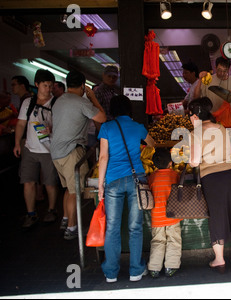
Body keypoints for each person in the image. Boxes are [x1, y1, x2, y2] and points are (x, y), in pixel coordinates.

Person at [97, 94, 156, 283]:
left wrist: (100, 185)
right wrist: (138, 151)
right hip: (136, 179)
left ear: (112, 110)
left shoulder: (106, 127)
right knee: (135, 227)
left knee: (112, 227)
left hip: (113, 180)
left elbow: (103, 157)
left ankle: (111, 273)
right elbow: (153, 143)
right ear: (129, 109)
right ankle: (135, 271)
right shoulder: (137, 126)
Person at [188, 97, 231, 273]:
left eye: (190, 115)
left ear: (195, 115)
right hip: (230, 174)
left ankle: (219, 260)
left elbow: (195, 161)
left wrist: (190, 160)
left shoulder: (196, 133)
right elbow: (228, 152)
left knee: (217, 216)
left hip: (211, 178)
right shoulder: (221, 128)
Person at [50, 70, 106, 240]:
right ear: (83, 86)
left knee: (69, 188)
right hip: (71, 151)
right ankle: (72, 228)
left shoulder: (59, 101)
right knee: (76, 192)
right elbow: (102, 118)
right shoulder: (81, 102)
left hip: (56, 153)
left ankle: (65, 219)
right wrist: (93, 98)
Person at [13, 69, 60, 228]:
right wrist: (17, 143)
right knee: (28, 181)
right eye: (45, 85)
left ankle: (52, 210)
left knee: (50, 183)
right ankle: (31, 213)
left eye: (50, 86)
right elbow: (21, 124)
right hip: (30, 149)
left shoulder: (56, 103)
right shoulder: (28, 103)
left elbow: (62, 127)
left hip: (49, 150)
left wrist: (52, 130)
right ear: (37, 85)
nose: (48, 89)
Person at [147, 148, 182, 278]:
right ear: (171, 163)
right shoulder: (174, 175)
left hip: (157, 217)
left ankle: (154, 268)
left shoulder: (152, 177)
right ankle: (171, 267)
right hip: (173, 216)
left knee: (157, 241)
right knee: (174, 240)